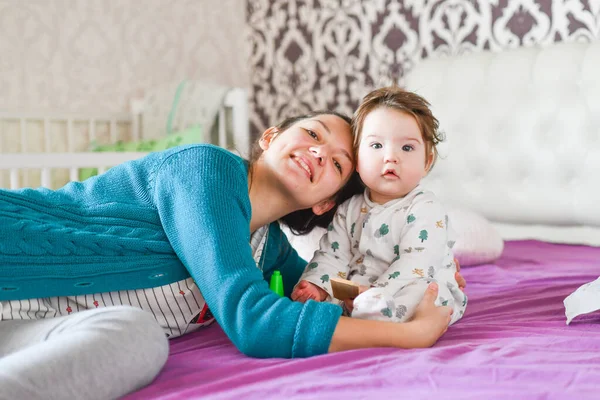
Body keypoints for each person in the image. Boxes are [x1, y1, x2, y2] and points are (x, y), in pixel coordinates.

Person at [0, 110, 465, 399]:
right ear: (271, 136)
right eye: (312, 133)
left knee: (136, 338)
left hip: (22, 324)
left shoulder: (268, 250)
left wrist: (418, 287)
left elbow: (327, 292)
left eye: (339, 163)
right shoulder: (205, 170)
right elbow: (254, 322)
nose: (319, 153)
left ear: (325, 203)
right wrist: (414, 335)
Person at [292, 87, 468, 325]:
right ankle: (358, 308)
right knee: (328, 286)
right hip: (359, 290)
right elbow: (333, 255)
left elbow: (416, 263)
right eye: (376, 146)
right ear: (356, 159)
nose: (390, 157)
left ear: (426, 162)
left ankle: (376, 311)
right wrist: (318, 285)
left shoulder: (425, 208)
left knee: (426, 292)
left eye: (406, 148)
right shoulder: (348, 210)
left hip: (409, 283)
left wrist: (377, 293)